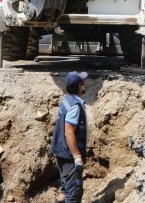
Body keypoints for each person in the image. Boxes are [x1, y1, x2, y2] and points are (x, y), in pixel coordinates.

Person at [50, 71, 89, 202]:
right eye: (83, 82)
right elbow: (69, 132)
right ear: (80, 86)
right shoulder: (75, 107)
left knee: (65, 189)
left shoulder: (67, 100)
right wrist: (77, 157)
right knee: (74, 194)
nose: (85, 84)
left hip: (61, 152)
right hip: (69, 156)